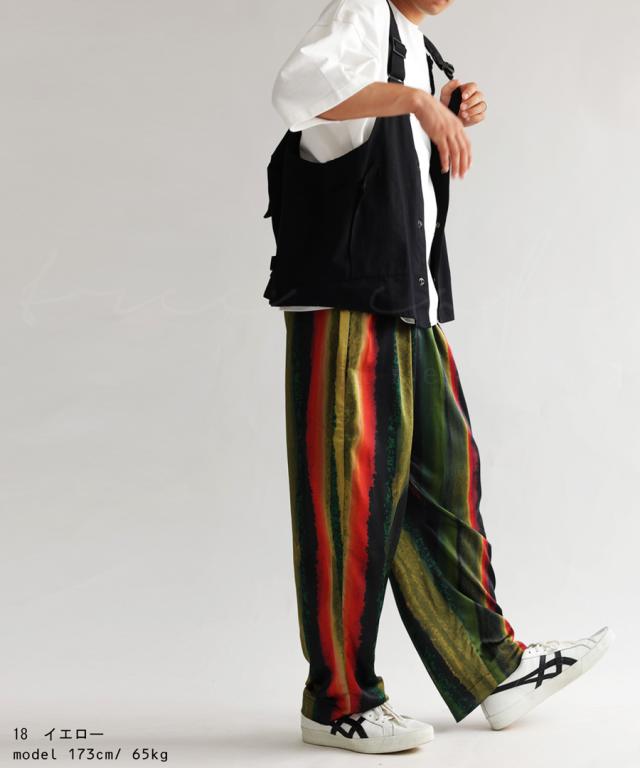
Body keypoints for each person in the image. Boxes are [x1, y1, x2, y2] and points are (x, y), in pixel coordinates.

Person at [262, 0, 613, 754]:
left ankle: (494, 666)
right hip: (346, 300)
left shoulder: (419, 48)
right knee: (348, 499)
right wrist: (417, 102)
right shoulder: (360, 13)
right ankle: (338, 701)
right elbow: (299, 90)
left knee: (444, 479)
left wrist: (442, 99)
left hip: (405, 297)